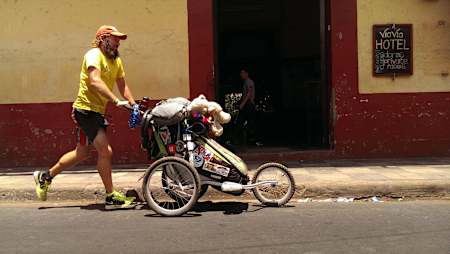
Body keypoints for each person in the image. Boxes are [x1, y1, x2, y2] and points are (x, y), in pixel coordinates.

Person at [33, 25, 137, 209]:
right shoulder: (93, 55)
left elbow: (122, 85)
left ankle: (45, 176)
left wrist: (133, 103)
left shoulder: (116, 61)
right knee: (106, 152)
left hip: (97, 111)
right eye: (115, 38)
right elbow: (95, 81)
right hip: (85, 110)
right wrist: (115, 100)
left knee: (82, 152)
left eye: (119, 39)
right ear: (103, 39)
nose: (118, 42)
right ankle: (111, 195)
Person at [236, 69, 262, 147]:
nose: (241, 75)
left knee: (249, 122)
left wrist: (242, 104)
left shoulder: (249, 82)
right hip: (246, 105)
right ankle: (246, 140)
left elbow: (249, 93)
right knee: (245, 122)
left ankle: (254, 140)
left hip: (249, 105)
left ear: (247, 73)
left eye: (242, 73)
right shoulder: (245, 82)